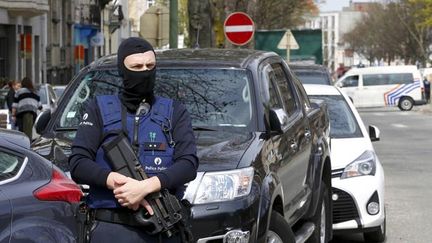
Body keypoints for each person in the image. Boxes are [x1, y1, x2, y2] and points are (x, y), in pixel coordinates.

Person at [68, 37, 198, 242]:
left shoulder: (175, 111)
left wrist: (144, 188)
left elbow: (188, 164)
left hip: (163, 229)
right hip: (110, 227)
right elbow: (78, 163)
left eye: (150, 66)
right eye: (137, 66)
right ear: (122, 70)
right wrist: (118, 183)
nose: (145, 72)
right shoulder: (97, 108)